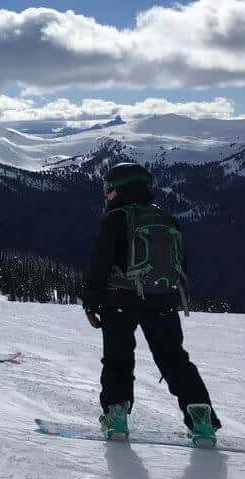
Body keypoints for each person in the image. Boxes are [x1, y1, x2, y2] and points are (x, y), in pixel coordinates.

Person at [83, 162, 221, 447]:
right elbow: (180, 263)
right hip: (163, 300)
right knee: (174, 359)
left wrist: (90, 303)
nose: (106, 194)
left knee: (118, 360)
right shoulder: (164, 217)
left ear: (118, 188)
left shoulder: (116, 218)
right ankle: (201, 419)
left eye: (108, 188)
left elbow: (99, 263)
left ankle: (116, 417)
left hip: (118, 301)